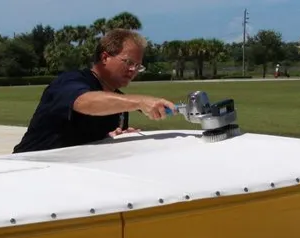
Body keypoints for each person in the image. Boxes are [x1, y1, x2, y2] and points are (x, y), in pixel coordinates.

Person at [12, 29, 177, 154]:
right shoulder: (69, 81)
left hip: (73, 174)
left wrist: (115, 138)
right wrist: (139, 102)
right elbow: (83, 101)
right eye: (128, 62)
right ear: (105, 58)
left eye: (138, 66)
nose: (133, 70)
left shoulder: (118, 101)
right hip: (28, 168)